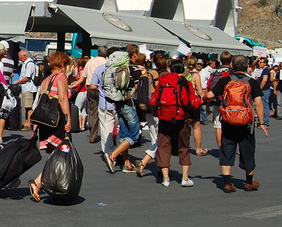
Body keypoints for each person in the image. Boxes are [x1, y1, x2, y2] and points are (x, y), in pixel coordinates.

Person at [206, 54, 268, 192]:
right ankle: (249, 182)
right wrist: (262, 123)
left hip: (228, 120)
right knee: (247, 150)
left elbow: (210, 95)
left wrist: (203, 96)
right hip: (246, 122)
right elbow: (258, 103)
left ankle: (227, 183)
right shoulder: (251, 82)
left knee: (227, 150)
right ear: (246, 66)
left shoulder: (226, 80)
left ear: (232, 66)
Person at [27, 51, 73, 202]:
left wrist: (35, 127)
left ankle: (43, 182)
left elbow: (39, 103)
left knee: (56, 154)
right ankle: (39, 182)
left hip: (45, 121)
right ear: (62, 64)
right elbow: (63, 99)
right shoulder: (61, 77)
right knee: (61, 153)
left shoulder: (45, 80)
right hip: (57, 120)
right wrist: (68, 119)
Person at [149, 59, 199, 187]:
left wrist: (156, 112)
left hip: (164, 117)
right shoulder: (185, 83)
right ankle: (185, 178)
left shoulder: (163, 81)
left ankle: (165, 178)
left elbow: (153, 100)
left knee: (163, 146)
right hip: (181, 118)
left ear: (170, 69)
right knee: (183, 147)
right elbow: (193, 101)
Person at [101, 46, 143, 173]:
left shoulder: (117, 66)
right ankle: (113, 155)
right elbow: (138, 89)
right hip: (129, 103)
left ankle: (126, 163)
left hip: (117, 102)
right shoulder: (135, 69)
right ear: (134, 54)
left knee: (124, 134)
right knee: (134, 134)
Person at [82, 46, 108, 143]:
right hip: (102, 88)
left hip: (90, 87)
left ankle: (93, 135)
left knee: (92, 111)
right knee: (104, 111)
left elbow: (83, 76)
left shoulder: (90, 62)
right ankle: (106, 134)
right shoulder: (106, 62)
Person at [14, 50, 38, 130]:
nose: (20, 59)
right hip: (26, 88)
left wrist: (19, 81)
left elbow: (27, 77)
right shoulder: (26, 63)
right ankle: (27, 122)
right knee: (26, 106)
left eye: (20, 57)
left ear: (25, 56)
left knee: (29, 107)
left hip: (29, 88)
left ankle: (29, 124)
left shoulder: (29, 64)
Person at [257, 57, 272, 128]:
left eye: (261, 62)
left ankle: (266, 123)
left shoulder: (266, 70)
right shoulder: (264, 70)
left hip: (265, 90)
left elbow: (264, 80)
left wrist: (260, 89)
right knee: (262, 106)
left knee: (264, 106)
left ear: (265, 63)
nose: (259, 63)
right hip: (264, 90)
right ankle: (262, 122)